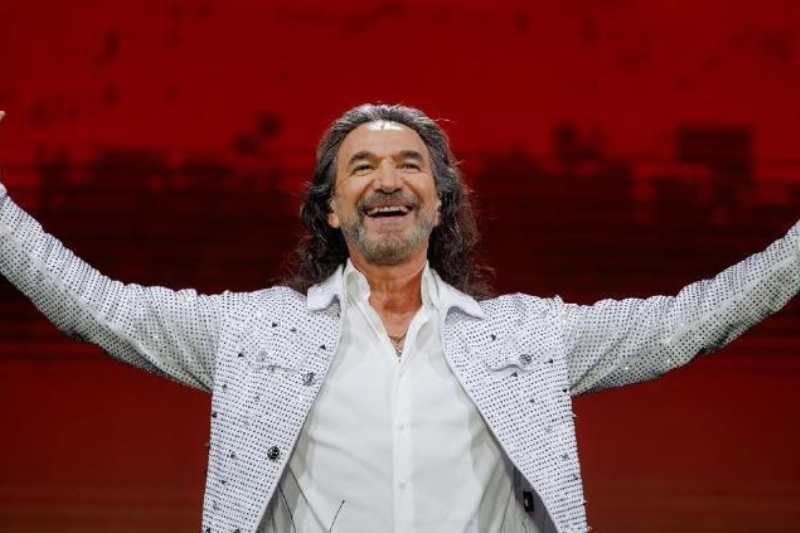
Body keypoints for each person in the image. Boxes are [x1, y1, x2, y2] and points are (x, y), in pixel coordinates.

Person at [0, 104, 798, 533]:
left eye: (409, 163)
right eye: (363, 166)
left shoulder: (527, 338)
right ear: (333, 208)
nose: (388, 179)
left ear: (439, 202)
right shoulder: (255, 335)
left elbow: (688, 321)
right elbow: (97, 304)